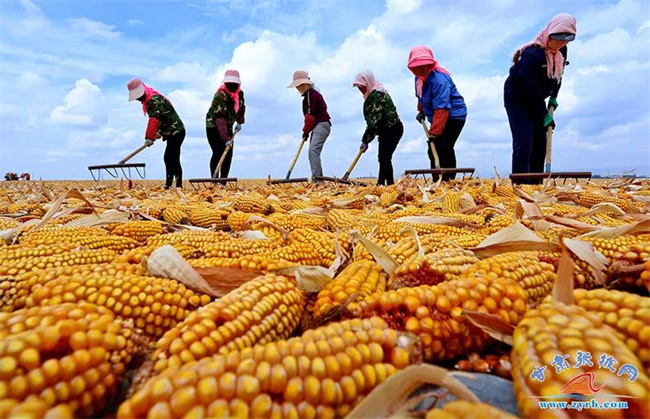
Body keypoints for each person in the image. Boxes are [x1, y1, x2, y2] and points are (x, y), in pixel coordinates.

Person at [504, 13, 577, 183]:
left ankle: (536, 183)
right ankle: (521, 184)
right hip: (518, 98)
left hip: (538, 97)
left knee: (540, 140)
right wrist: (544, 113)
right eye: (557, 39)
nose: (560, 44)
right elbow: (529, 89)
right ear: (549, 34)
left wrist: (553, 98)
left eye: (565, 41)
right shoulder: (532, 54)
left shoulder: (561, 51)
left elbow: (558, 75)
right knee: (524, 139)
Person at [407, 46, 467, 182]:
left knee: (444, 146)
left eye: (423, 65)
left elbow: (442, 109)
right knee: (433, 149)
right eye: (417, 66)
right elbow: (421, 96)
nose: (420, 69)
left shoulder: (439, 80)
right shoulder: (419, 79)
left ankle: (447, 180)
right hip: (437, 117)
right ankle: (437, 180)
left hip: (454, 116)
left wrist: (434, 133)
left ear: (430, 64)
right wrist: (421, 111)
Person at [127, 78, 185, 189]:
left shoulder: (154, 100)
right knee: (172, 158)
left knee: (170, 157)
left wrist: (150, 137)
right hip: (171, 132)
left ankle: (173, 184)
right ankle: (175, 184)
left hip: (176, 132)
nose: (138, 99)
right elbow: (161, 119)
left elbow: (154, 120)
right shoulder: (150, 100)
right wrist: (157, 133)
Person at [353, 71, 403, 186]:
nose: (360, 90)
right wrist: (366, 139)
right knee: (383, 157)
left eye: (362, 87)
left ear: (368, 83)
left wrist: (365, 140)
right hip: (385, 130)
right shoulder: (372, 95)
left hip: (392, 129)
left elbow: (374, 122)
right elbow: (373, 122)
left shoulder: (377, 96)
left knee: (384, 156)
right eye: (358, 87)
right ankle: (384, 184)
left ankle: (386, 185)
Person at [287, 70, 331, 182]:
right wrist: (307, 131)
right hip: (317, 126)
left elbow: (310, 118)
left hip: (321, 124)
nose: (298, 88)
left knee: (313, 151)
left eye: (300, 85)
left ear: (306, 84)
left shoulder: (311, 96)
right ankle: (319, 179)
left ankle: (317, 180)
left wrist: (306, 131)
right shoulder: (308, 96)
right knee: (313, 152)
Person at [206, 69, 246, 182]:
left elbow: (241, 108)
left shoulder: (240, 94)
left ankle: (223, 182)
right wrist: (226, 138)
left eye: (234, 83)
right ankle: (215, 180)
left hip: (228, 125)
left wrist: (239, 122)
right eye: (230, 83)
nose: (232, 85)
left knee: (228, 154)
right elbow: (220, 119)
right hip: (213, 126)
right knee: (218, 152)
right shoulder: (220, 95)